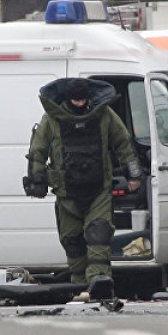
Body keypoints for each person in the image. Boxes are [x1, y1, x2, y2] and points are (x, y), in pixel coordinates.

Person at [23, 78, 142, 298]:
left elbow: (123, 144)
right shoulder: (52, 119)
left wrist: (133, 174)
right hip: (67, 192)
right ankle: (79, 287)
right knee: (72, 241)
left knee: (99, 234)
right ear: (68, 99)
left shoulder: (103, 115)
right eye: (75, 100)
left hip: (98, 190)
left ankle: (100, 282)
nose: (79, 104)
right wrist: (36, 180)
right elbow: (37, 151)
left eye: (82, 100)